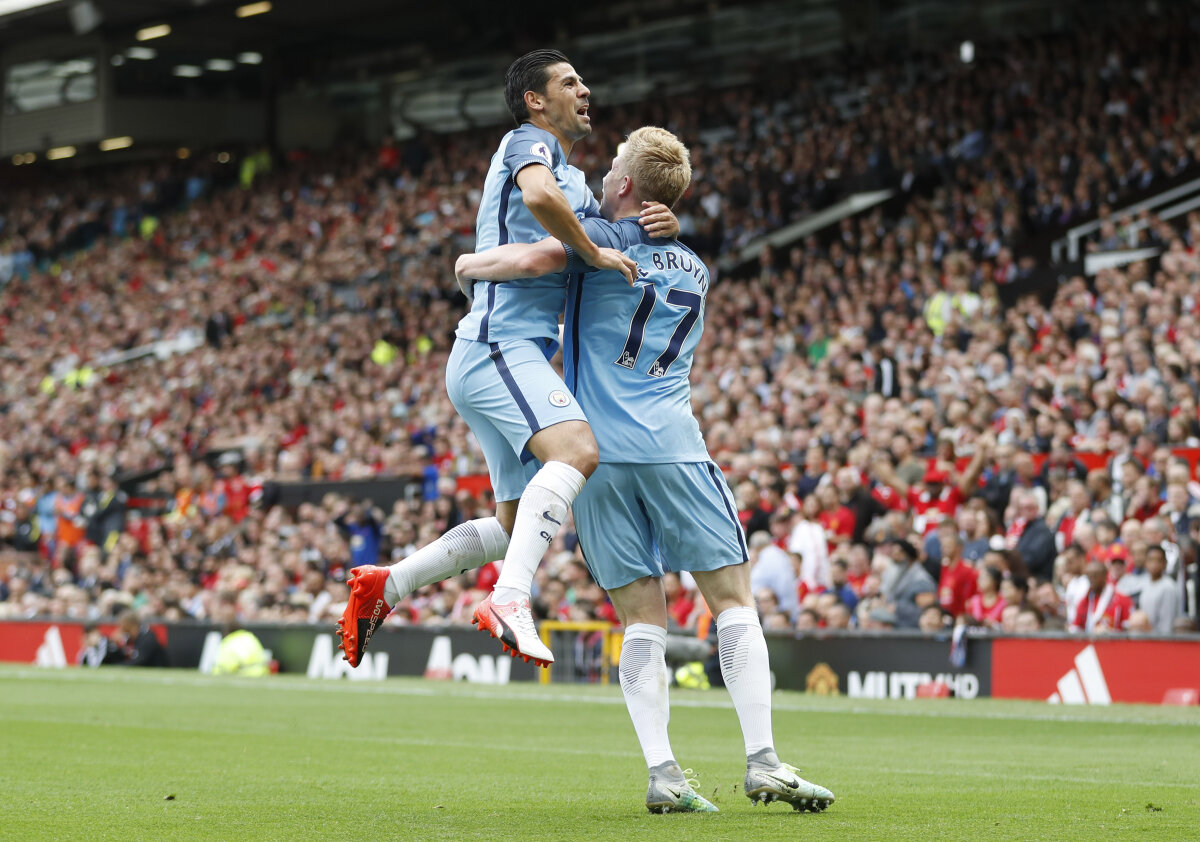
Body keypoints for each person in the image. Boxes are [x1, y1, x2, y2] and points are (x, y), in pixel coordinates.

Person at [455, 127, 833, 813]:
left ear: (627, 184)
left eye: (612, 165)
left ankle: (663, 772)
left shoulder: (596, 244)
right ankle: (764, 761)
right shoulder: (695, 265)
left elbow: (539, 256)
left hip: (596, 458)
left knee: (642, 622)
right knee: (732, 603)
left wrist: (470, 265)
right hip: (674, 448)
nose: (600, 172)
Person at [336, 49, 676, 668]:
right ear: (535, 101)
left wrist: (658, 224)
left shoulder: (577, 184)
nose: (586, 88)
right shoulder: (527, 144)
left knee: (514, 521)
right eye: (569, 81)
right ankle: (510, 598)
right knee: (577, 451)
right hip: (500, 345)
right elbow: (542, 203)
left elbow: (567, 234)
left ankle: (387, 585)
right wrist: (594, 255)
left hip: (500, 352)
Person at [1069, 561, 1134, 633]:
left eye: (1095, 575)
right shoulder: (1084, 601)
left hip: (1114, 642)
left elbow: (1128, 629)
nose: (1092, 579)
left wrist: (1109, 632)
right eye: (1089, 576)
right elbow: (1076, 628)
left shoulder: (1122, 600)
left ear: (1104, 575)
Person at [1139, 545, 1182, 634]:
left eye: (1158, 561)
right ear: (1145, 562)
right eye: (1151, 560)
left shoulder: (1168, 587)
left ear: (1165, 564)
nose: (1154, 564)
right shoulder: (1145, 584)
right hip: (1146, 637)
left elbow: (1167, 623)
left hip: (1161, 640)